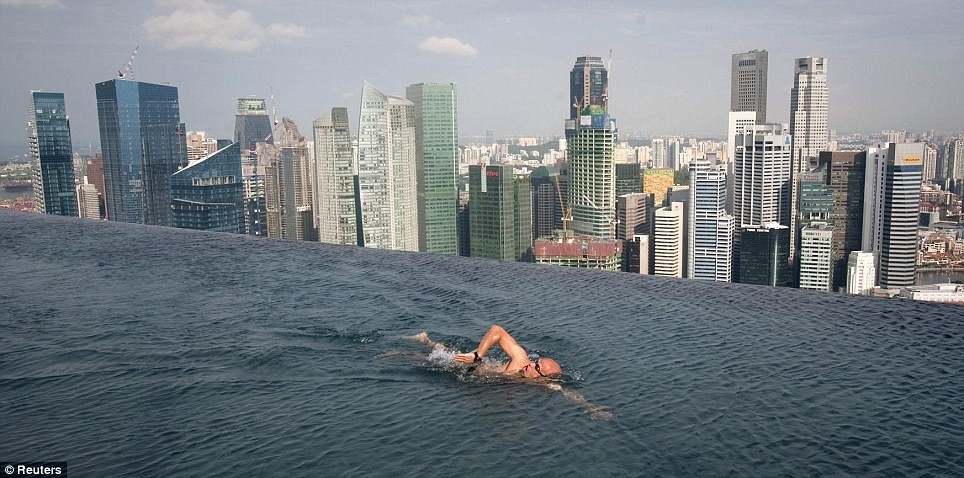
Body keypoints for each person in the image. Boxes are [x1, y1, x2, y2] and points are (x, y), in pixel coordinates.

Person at [452, 324, 563, 379]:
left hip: (477, 378)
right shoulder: (521, 360)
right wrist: (477, 356)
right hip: (468, 367)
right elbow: (497, 330)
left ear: (541, 378)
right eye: (536, 362)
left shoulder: (537, 383)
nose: (532, 364)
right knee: (443, 352)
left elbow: (561, 390)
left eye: (537, 367)